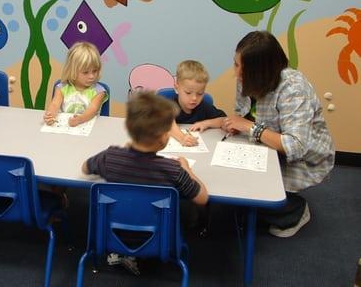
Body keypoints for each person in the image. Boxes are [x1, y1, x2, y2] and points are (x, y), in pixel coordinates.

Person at [82, 91, 208, 274]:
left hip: (111, 236)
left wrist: (121, 152)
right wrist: (186, 168)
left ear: (128, 127)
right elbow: (202, 198)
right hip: (159, 239)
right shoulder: (173, 170)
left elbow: (85, 168)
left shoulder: (109, 158)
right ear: (165, 137)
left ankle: (123, 255)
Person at [224, 31, 335, 238]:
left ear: (261, 71)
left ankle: (296, 211)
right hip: (266, 142)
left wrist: (249, 127)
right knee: (234, 191)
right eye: (236, 64)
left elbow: (296, 146)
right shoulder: (246, 78)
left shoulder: (293, 88)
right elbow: (243, 111)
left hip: (303, 157)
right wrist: (237, 123)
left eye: (242, 68)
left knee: (257, 197)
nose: (236, 73)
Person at [44, 41, 108, 127]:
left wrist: (79, 120)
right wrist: (50, 115)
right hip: (64, 129)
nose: (92, 76)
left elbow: (92, 110)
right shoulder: (62, 88)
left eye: (95, 71)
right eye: (85, 72)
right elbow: (55, 104)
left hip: (90, 129)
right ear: (73, 71)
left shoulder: (99, 91)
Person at [170, 60, 226, 146]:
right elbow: (167, 123)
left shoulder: (204, 106)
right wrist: (182, 137)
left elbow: (224, 120)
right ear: (177, 88)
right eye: (188, 93)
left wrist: (207, 123)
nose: (194, 98)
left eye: (200, 93)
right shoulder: (169, 105)